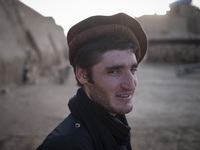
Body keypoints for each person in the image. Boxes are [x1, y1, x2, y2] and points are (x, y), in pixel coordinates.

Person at [36, 13, 147, 150]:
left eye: (133, 70)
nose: (131, 85)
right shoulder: (65, 145)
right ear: (83, 75)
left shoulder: (116, 123)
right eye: (114, 71)